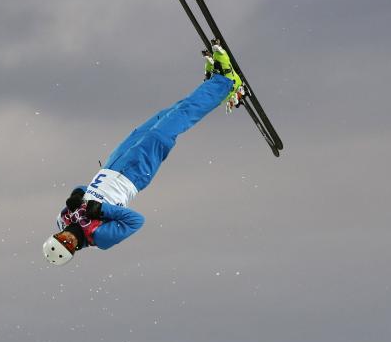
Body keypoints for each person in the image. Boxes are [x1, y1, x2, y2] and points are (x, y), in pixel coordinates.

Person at [43, 44, 242, 266]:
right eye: (69, 245)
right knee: (172, 124)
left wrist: (76, 195)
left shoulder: (63, 219)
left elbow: (83, 190)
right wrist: (102, 209)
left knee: (164, 117)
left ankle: (213, 87)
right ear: (75, 250)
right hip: (135, 173)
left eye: (61, 239)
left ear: (56, 235)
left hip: (112, 165)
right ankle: (226, 82)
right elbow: (135, 221)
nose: (68, 238)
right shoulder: (99, 237)